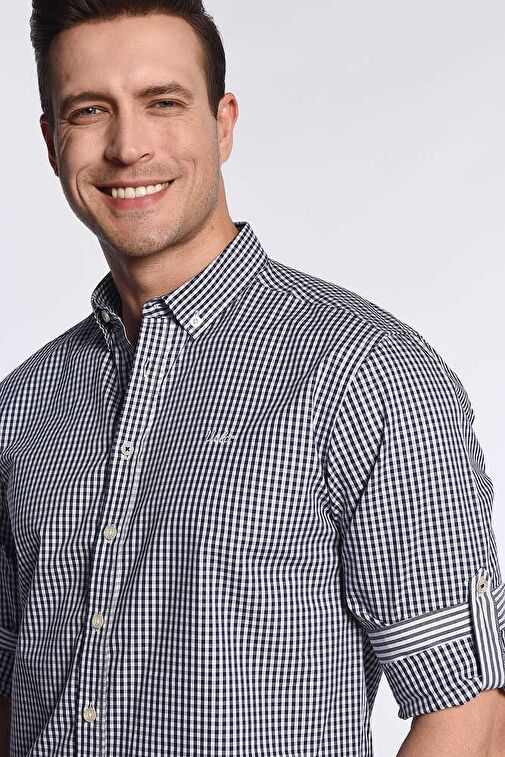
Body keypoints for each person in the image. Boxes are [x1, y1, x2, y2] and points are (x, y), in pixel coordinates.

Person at [1, 1, 504, 755]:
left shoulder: (365, 372)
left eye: (162, 103)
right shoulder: (20, 405)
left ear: (223, 123)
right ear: (51, 142)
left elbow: (469, 719)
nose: (128, 146)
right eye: (90, 111)